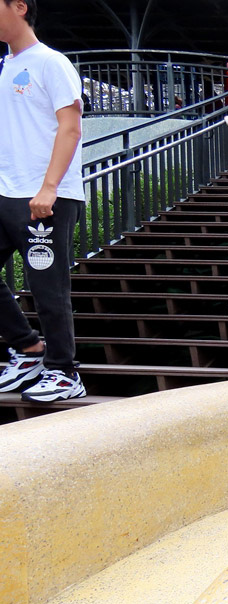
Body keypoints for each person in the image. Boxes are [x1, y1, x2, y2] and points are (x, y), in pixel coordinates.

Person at [0, 0, 86, 402]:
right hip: (6, 191)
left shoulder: (51, 62)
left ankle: (64, 371)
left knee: (47, 286)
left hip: (46, 196)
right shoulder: (6, 65)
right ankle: (28, 346)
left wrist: (49, 187)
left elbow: (70, 127)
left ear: (19, 7)